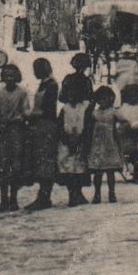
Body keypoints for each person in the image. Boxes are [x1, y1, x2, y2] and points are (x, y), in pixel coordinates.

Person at [0, 63, 31, 212]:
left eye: (12, 75)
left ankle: (13, 199)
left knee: (15, 165)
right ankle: (3, 200)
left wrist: (19, 118)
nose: (9, 78)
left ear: (17, 77)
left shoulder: (22, 93)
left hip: (16, 130)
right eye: (6, 75)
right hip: (2, 130)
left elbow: (26, 111)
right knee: (3, 165)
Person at [25, 58, 59, 211]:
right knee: (41, 160)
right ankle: (42, 195)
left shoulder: (51, 85)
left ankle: (45, 196)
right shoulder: (44, 84)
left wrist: (32, 115)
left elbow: (48, 109)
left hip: (47, 125)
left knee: (46, 160)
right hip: (40, 125)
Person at [56, 71, 91, 205]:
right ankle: (72, 194)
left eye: (75, 92)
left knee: (79, 168)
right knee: (68, 168)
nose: (71, 95)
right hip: (66, 143)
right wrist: (66, 139)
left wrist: (80, 140)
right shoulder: (64, 109)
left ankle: (79, 192)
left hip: (80, 142)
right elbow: (60, 125)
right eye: (68, 92)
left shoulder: (85, 108)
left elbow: (87, 125)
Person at [86, 84, 121, 205]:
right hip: (97, 145)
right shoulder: (94, 113)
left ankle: (112, 193)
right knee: (97, 172)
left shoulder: (113, 112)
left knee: (110, 171)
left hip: (110, 144)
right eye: (100, 99)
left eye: (106, 99)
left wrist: (119, 143)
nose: (103, 101)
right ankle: (97, 194)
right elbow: (90, 129)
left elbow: (119, 127)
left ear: (111, 99)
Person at [115, 82, 138, 183]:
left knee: (128, 156)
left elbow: (118, 117)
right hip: (137, 137)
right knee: (136, 156)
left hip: (128, 137)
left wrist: (128, 125)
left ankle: (134, 171)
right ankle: (137, 170)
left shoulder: (123, 108)